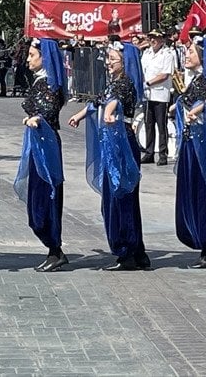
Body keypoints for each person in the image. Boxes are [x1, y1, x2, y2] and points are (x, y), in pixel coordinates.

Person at [67, 41, 148, 271]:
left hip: (122, 146)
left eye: (113, 59)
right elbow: (98, 101)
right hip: (114, 145)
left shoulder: (125, 85)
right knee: (121, 196)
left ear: (125, 63)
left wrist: (110, 115)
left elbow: (112, 103)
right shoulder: (114, 84)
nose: (109, 62)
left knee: (120, 196)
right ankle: (137, 251)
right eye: (109, 58)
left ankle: (127, 252)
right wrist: (80, 115)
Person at [172, 38, 206, 269]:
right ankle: (202, 241)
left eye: (191, 52)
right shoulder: (195, 80)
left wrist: (192, 110)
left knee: (205, 191)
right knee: (193, 190)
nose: (187, 55)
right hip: (190, 141)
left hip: (202, 144)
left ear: (203, 56)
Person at [15, 38, 69, 272]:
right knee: (37, 197)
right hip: (36, 144)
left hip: (46, 145)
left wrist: (35, 119)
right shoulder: (40, 82)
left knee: (46, 195)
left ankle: (55, 249)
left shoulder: (50, 84)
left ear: (44, 57)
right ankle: (53, 248)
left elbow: (47, 111)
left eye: (32, 55)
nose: (28, 59)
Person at [139, 29, 174, 165]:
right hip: (148, 94)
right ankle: (149, 152)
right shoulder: (146, 53)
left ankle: (163, 153)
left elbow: (164, 74)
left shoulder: (167, 54)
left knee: (161, 125)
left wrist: (148, 82)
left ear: (162, 40)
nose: (152, 40)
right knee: (148, 124)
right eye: (151, 38)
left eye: (155, 38)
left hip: (160, 93)